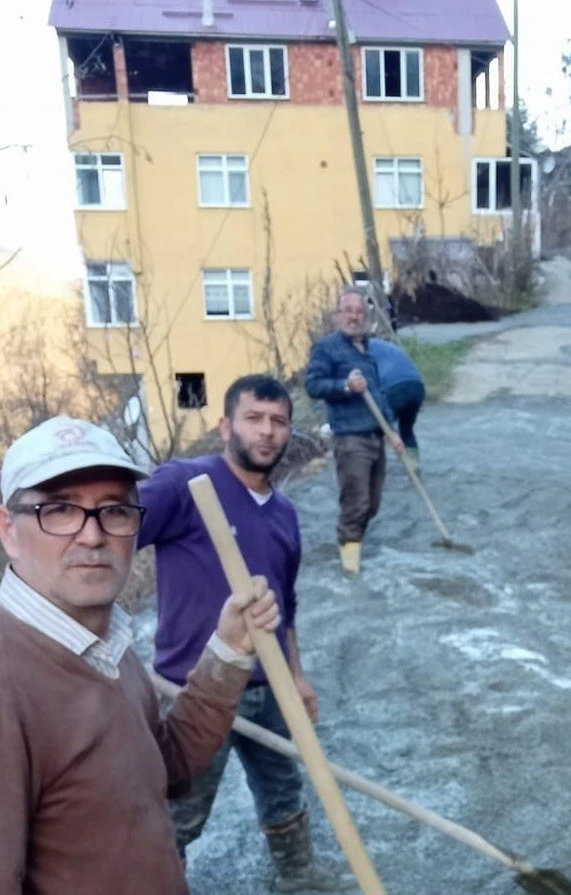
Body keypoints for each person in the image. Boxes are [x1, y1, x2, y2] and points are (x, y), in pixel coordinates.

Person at [0, 416, 281, 895]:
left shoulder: (103, 643)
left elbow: (166, 770)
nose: (92, 535)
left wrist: (227, 650)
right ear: (7, 529)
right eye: (59, 509)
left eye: (115, 510)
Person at [137, 374, 346, 893]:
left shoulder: (284, 515)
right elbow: (111, 534)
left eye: (278, 421)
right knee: (179, 813)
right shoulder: (183, 484)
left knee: (283, 789)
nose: (267, 432)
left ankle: (298, 877)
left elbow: (286, 607)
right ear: (224, 424)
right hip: (194, 690)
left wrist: (297, 677)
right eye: (254, 418)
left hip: (267, 685)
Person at [306, 287, 405, 577]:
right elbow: (313, 386)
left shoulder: (367, 350)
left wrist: (392, 432)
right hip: (351, 439)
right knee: (356, 502)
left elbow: (378, 395)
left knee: (372, 504)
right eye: (348, 310)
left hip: (376, 436)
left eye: (360, 311)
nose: (354, 316)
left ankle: (353, 543)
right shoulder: (327, 348)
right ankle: (350, 569)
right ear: (338, 315)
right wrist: (345, 386)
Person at [368, 336, 427, 471]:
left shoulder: (360, 351)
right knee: (407, 429)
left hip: (394, 388)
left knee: (376, 428)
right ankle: (413, 467)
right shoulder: (388, 346)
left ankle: (373, 469)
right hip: (417, 387)